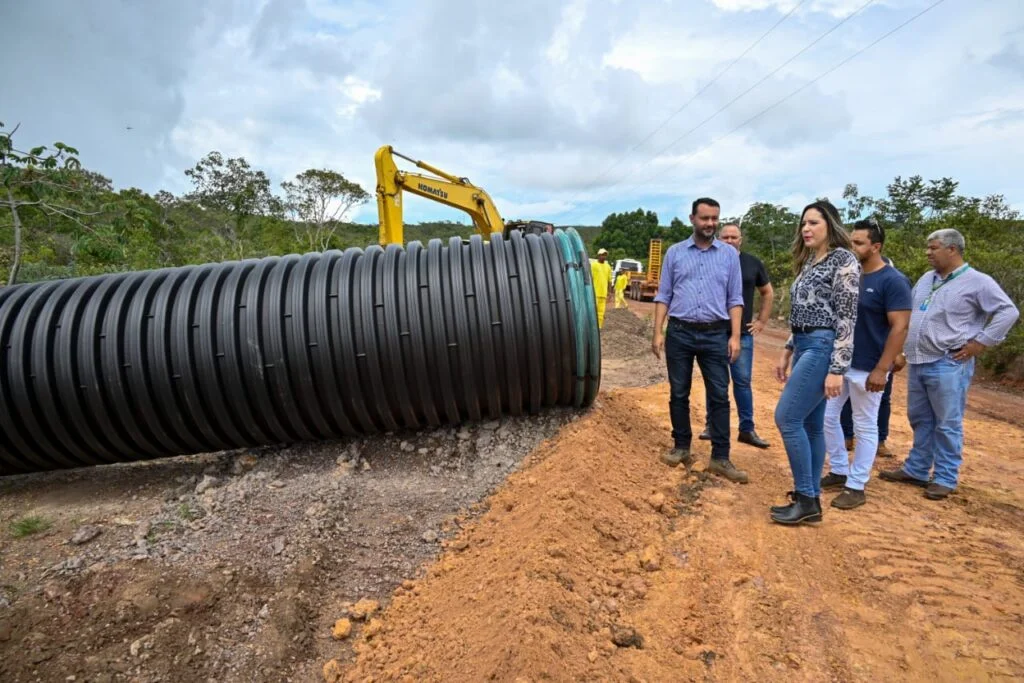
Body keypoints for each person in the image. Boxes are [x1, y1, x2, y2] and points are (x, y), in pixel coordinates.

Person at [879, 228, 1019, 500]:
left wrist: (981, 342)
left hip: (949, 361)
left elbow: (1008, 311)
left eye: (933, 248)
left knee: (947, 422)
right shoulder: (926, 278)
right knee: (920, 418)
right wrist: (903, 352)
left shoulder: (978, 281)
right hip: (919, 361)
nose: (927, 253)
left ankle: (945, 476)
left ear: (952, 249)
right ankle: (917, 469)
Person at [771, 200, 859, 525]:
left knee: (787, 417)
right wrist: (787, 348)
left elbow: (847, 318)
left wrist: (838, 369)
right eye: (803, 224)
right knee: (809, 424)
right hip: (805, 342)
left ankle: (806, 496)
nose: (806, 229)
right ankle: (811, 501)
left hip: (824, 346)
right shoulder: (810, 261)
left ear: (830, 225)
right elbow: (805, 312)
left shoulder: (843, 261)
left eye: (814, 223)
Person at [651, 197, 747, 483]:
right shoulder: (675, 253)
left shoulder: (729, 255)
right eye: (705, 218)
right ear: (692, 219)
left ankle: (721, 457)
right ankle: (681, 447)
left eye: (714, 218)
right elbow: (664, 294)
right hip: (679, 332)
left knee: (719, 394)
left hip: (716, 334)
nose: (710, 224)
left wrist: (736, 336)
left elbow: (735, 299)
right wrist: (657, 331)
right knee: (678, 392)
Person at [820, 219, 911, 510]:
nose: (852, 247)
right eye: (851, 242)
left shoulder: (893, 281)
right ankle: (838, 470)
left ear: (876, 246)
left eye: (858, 243)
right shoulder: (849, 275)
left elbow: (899, 328)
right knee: (827, 418)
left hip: (869, 366)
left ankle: (857, 485)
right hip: (841, 364)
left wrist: (882, 369)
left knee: (865, 426)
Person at [698, 222, 774, 448]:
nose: (730, 241)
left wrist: (761, 321)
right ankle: (712, 426)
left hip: (742, 335)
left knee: (742, 382)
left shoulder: (752, 263)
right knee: (715, 383)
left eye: (734, 237)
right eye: (725, 237)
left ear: (741, 240)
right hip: (714, 333)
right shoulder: (710, 261)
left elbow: (767, 292)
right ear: (718, 239)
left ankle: (747, 429)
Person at [839, 255, 909, 458]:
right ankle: (846, 438)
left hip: (877, 358)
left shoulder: (894, 283)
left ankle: (879, 441)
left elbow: (900, 326)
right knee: (836, 410)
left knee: (877, 406)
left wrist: (894, 357)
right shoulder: (853, 282)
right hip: (848, 359)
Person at [591, 248, 612, 329]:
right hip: (594, 293)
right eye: (602, 255)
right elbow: (590, 278)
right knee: (593, 312)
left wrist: (610, 293)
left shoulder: (608, 267)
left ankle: (598, 328)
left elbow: (609, 281)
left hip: (603, 294)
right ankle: (592, 327)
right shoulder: (593, 265)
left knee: (601, 313)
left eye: (605, 255)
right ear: (598, 255)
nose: (604, 256)